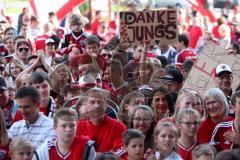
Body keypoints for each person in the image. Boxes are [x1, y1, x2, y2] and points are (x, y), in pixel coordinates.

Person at [76, 87, 126, 158]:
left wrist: (87, 155)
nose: (96, 106)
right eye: (92, 102)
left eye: (100, 102)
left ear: (106, 105)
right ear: (86, 104)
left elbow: (118, 156)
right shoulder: (77, 127)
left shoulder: (118, 127)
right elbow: (74, 154)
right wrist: (105, 155)